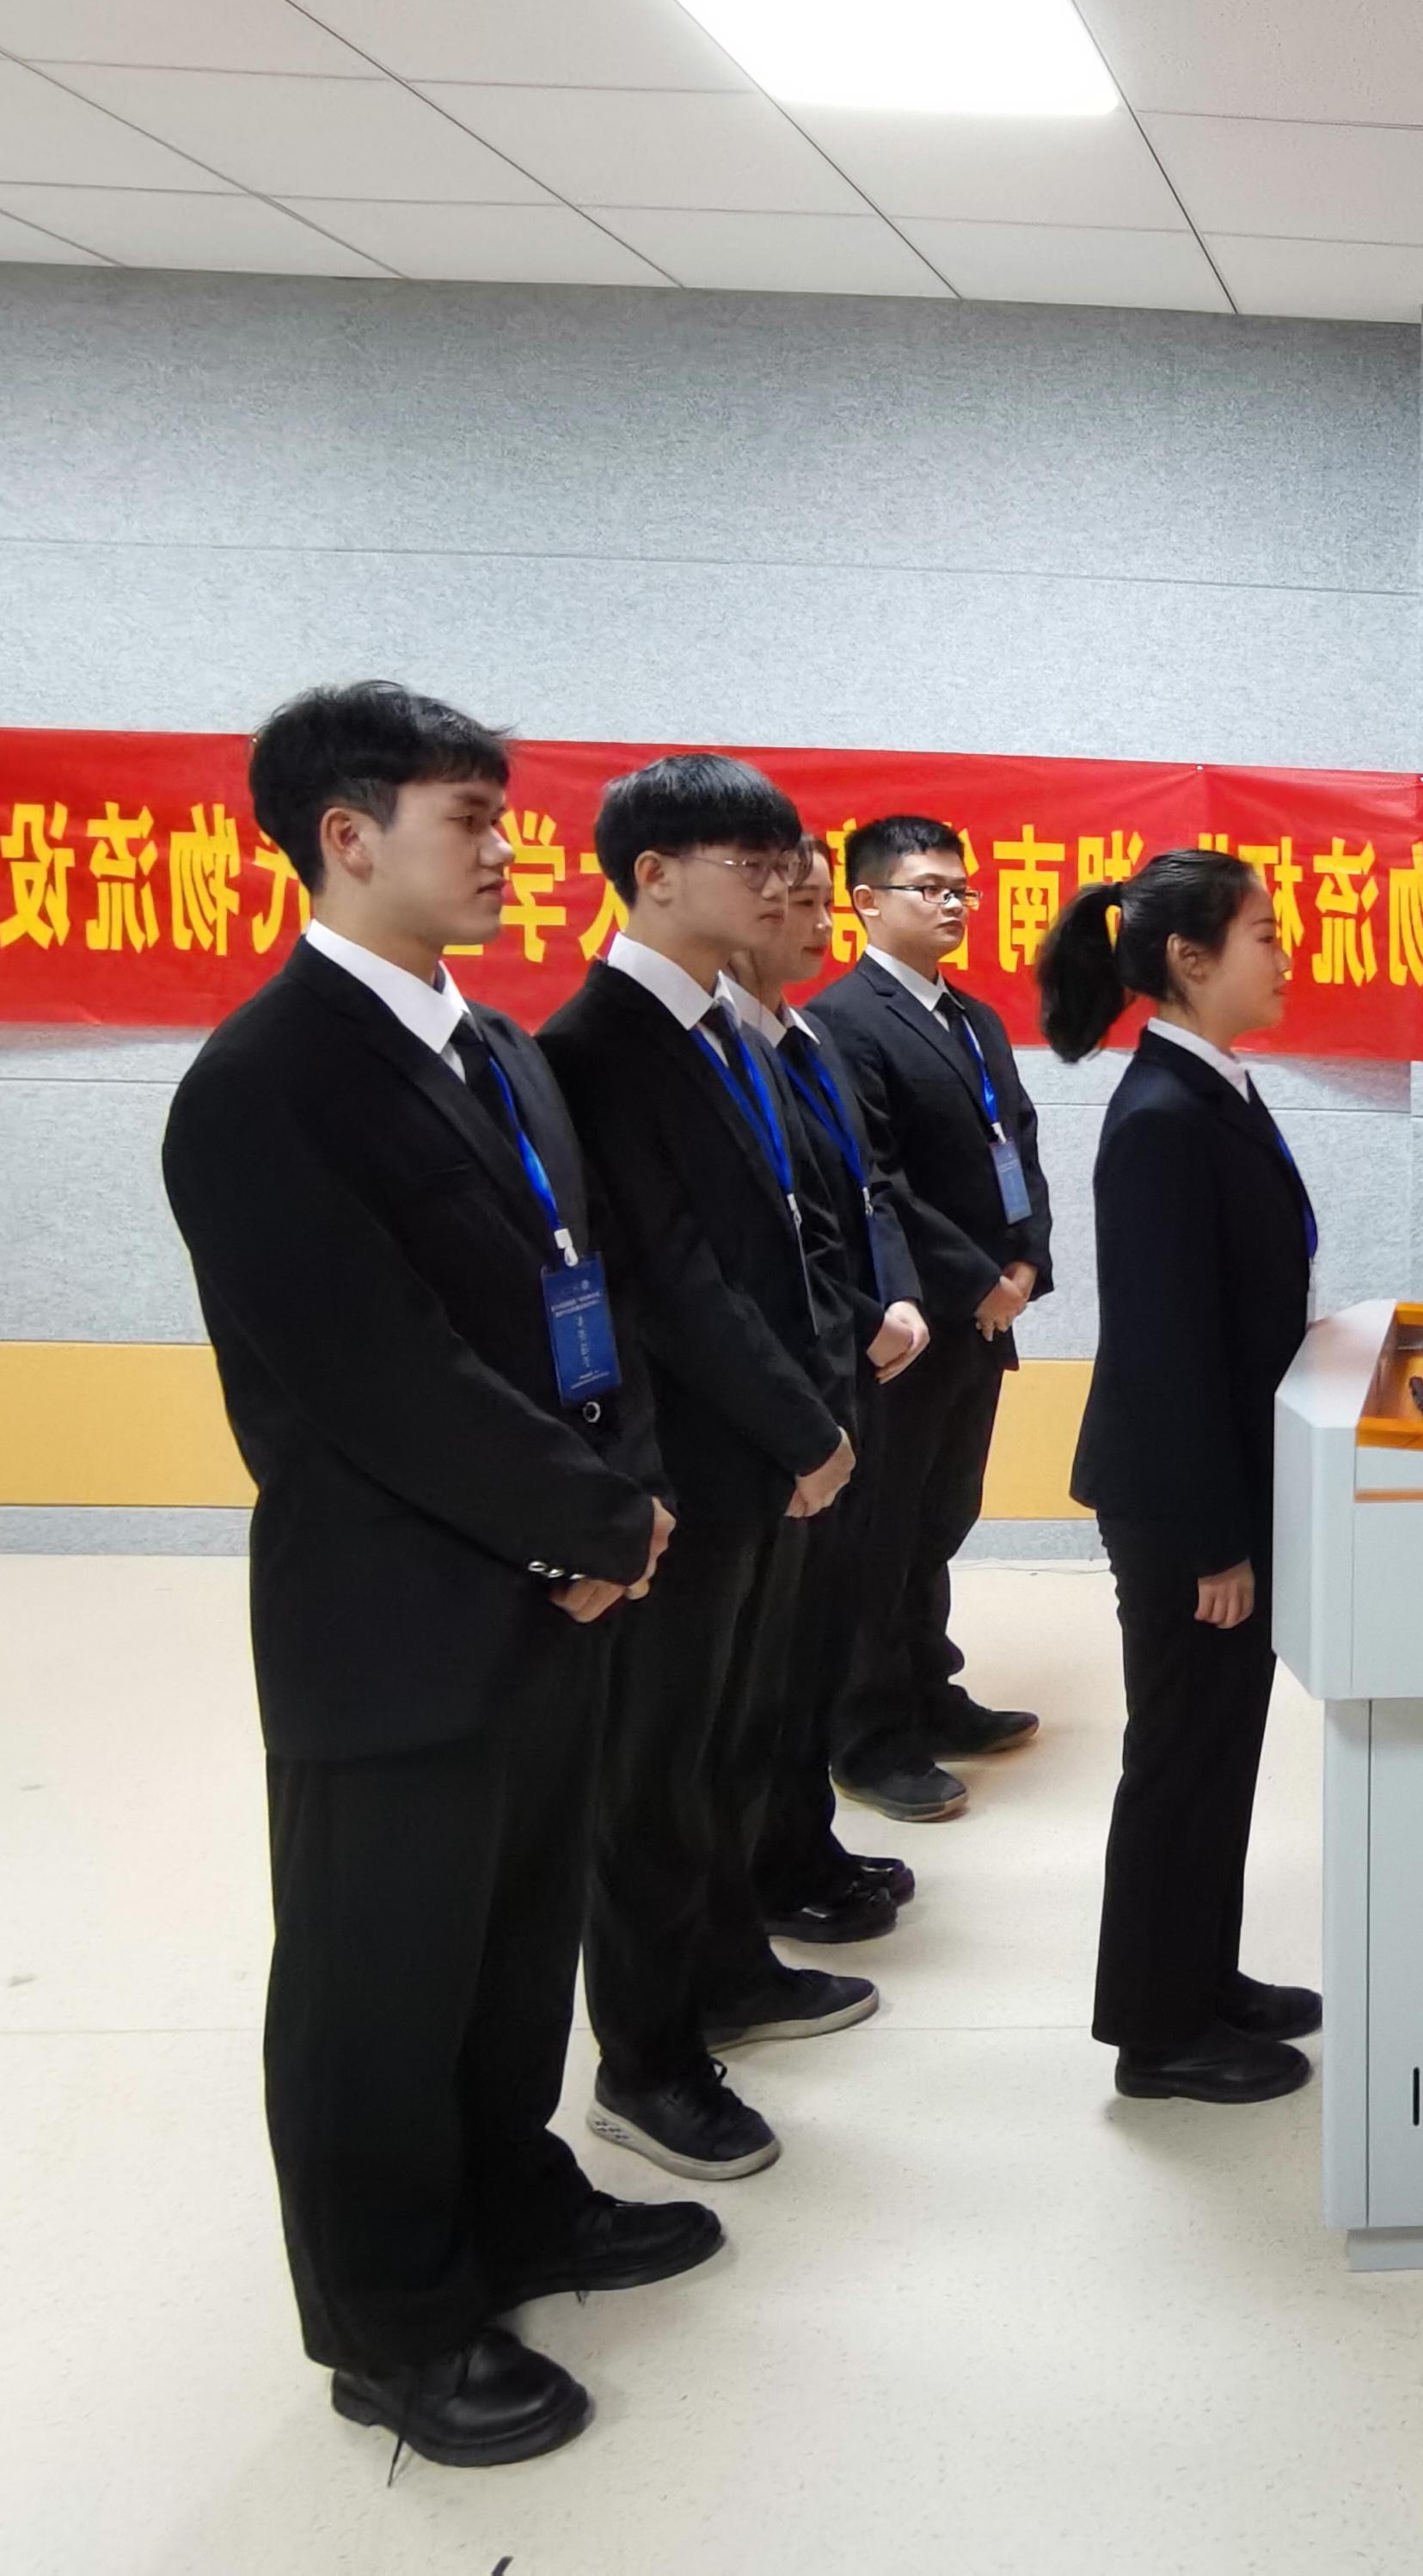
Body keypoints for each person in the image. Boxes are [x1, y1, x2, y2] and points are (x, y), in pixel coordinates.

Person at [163, 681, 708, 2471]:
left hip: (551, 1596)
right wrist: (598, 1524)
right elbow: (383, 1379)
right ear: (346, 835)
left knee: (510, 1945)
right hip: (395, 1620)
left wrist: (625, 1499)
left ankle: (513, 2204)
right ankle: (389, 2325)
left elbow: (587, 1301)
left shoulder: (499, 1051)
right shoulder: (263, 1087)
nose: (504, 851)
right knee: (375, 1985)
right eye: (469, 819)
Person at [539, 756, 868, 2182]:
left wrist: (813, 1413)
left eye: (782, 856)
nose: (780, 882)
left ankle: (728, 1969)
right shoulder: (599, 1041)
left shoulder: (723, 1030)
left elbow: (782, 1240)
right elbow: (673, 1282)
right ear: (653, 875)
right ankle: (646, 2061)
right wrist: (806, 1428)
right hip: (684, 1471)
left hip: (758, 1458)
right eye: (748, 859)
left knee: (728, 1742)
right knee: (653, 1777)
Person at [1035, 849, 1322, 2104]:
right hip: (1181, 1503)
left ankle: (1202, 1978)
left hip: (1221, 1481)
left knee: (1219, 1749)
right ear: (1190, 960)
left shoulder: (1213, 1089)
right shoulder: (1161, 1117)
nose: (1285, 955)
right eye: (1264, 935)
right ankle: (1157, 2035)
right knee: (1180, 1756)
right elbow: (1162, 1350)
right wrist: (1215, 1542)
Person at [805, 814, 1052, 1824]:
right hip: (911, 1322)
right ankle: (867, 1735)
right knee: (882, 1528)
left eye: (961, 888)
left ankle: (927, 1689)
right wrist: (973, 1278)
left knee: (942, 1515)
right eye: (928, 888)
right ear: (865, 902)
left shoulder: (973, 1017)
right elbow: (877, 1180)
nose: (952, 903)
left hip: (987, 1314)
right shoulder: (842, 1019)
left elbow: (1018, 1141)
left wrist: (1028, 1260)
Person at [726, 837, 931, 1947]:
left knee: (819, 1638)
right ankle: (771, 1863)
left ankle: (807, 1840)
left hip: (856, 1372)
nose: (813, 926)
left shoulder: (804, 1038)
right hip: (794, 1389)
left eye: (818, 905)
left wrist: (896, 1296)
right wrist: (859, 1321)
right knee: (770, 1663)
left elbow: (867, 1197)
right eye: (792, 904)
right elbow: (771, 1248)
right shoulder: (728, 1053)